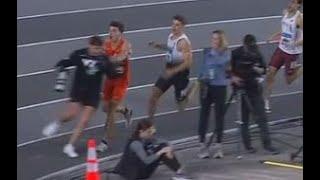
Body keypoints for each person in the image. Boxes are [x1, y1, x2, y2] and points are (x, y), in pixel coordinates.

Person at [42, 36, 111, 158]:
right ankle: (57, 123)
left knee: (84, 121)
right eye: (95, 48)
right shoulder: (79, 54)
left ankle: (69, 146)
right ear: (89, 45)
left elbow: (111, 73)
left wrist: (116, 69)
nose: (97, 51)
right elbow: (68, 62)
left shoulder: (104, 59)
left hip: (93, 93)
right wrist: (61, 64)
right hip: (78, 90)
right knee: (71, 114)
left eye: (99, 49)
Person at [230, 34, 279, 154]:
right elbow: (228, 70)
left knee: (261, 117)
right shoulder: (236, 53)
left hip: (254, 88)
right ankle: (248, 146)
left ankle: (267, 144)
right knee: (244, 119)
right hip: (240, 89)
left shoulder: (257, 53)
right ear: (244, 45)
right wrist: (233, 77)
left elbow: (264, 69)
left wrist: (258, 70)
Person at [147, 15, 197, 119]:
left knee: (180, 106)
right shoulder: (171, 36)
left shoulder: (183, 43)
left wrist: (173, 71)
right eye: (173, 24)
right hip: (169, 69)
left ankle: (190, 92)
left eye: (177, 25)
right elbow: (170, 48)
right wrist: (158, 45)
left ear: (183, 26)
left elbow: (188, 63)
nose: (174, 27)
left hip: (180, 73)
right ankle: (149, 124)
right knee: (153, 96)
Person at [112, 119, 192, 180]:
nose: (151, 134)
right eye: (149, 132)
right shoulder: (135, 143)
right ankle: (179, 172)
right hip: (135, 174)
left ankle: (179, 172)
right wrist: (161, 152)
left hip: (140, 169)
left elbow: (165, 141)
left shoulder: (146, 137)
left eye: (152, 132)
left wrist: (169, 150)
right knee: (161, 149)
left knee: (163, 146)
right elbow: (146, 160)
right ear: (141, 131)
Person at [97, 21, 133, 152]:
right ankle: (125, 111)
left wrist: (105, 59)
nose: (111, 33)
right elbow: (101, 56)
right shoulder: (106, 43)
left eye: (114, 31)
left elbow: (120, 57)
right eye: (110, 30)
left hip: (121, 80)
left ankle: (105, 141)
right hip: (110, 79)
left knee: (111, 109)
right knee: (105, 108)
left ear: (120, 33)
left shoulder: (126, 45)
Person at [264, 0, 303, 113]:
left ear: (298, 5)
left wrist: (295, 43)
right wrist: (274, 35)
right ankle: (266, 100)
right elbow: (284, 28)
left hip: (291, 54)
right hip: (281, 49)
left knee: (289, 80)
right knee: (270, 72)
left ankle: (300, 69)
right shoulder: (286, 13)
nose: (290, 4)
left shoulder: (299, 18)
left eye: (293, 2)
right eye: (290, 1)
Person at [197, 30, 230, 159]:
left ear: (221, 41)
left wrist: (215, 54)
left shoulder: (226, 54)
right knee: (203, 115)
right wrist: (200, 78)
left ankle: (218, 146)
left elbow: (223, 66)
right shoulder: (207, 52)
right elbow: (202, 67)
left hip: (220, 87)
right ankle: (202, 145)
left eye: (216, 39)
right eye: (213, 39)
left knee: (219, 116)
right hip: (206, 86)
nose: (213, 41)